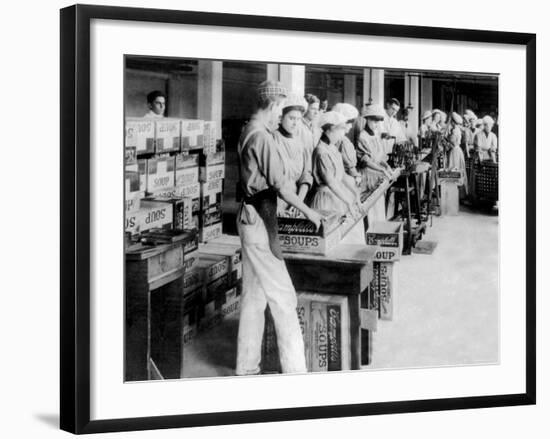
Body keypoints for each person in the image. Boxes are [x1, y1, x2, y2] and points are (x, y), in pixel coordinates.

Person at [236, 80, 322, 376]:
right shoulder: (261, 136)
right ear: (273, 106)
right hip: (261, 218)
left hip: (249, 216)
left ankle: (246, 369)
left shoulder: (247, 129)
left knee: (253, 298)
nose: (279, 117)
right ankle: (296, 374)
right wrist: (309, 211)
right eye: (279, 110)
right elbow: (282, 185)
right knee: (285, 298)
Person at [311, 111, 360, 217]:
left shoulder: (333, 148)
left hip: (337, 196)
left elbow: (342, 175)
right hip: (325, 199)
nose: (344, 133)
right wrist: (347, 201)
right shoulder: (321, 151)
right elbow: (331, 183)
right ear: (332, 129)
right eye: (342, 129)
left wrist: (355, 193)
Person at [273, 93, 313, 213]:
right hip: (274, 201)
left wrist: (298, 202)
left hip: (295, 202)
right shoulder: (272, 139)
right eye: (291, 118)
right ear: (281, 118)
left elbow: (306, 175)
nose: (295, 123)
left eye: (298, 119)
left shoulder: (300, 143)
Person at [356, 103, 394, 225]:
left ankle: (379, 230)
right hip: (368, 175)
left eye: (378, 122)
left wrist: (386, 165)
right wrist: (382, 170)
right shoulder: (362, 136)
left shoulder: (376, 135)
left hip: (377, 173)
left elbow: (379, 155)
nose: (376, 124)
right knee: (371, 206)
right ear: (367, 119)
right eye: (373, 121)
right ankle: (371, 232)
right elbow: (366, 160)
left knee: (379, 205)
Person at [332, 103, 362, 187]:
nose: (351, 126)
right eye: (349, 123)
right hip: (342, 183)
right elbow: (350, 168)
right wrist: (357, 176)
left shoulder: (341, 140)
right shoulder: (343, 142)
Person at [445, 112, 467, 195]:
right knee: (455, 170)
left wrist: (446, 142)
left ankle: (454, 191)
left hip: (455, 151)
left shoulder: (455, 130)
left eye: (451, 121)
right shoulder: (456, 129)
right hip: (456, 150)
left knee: (454, 169)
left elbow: (453, 143)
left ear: (453, 121)